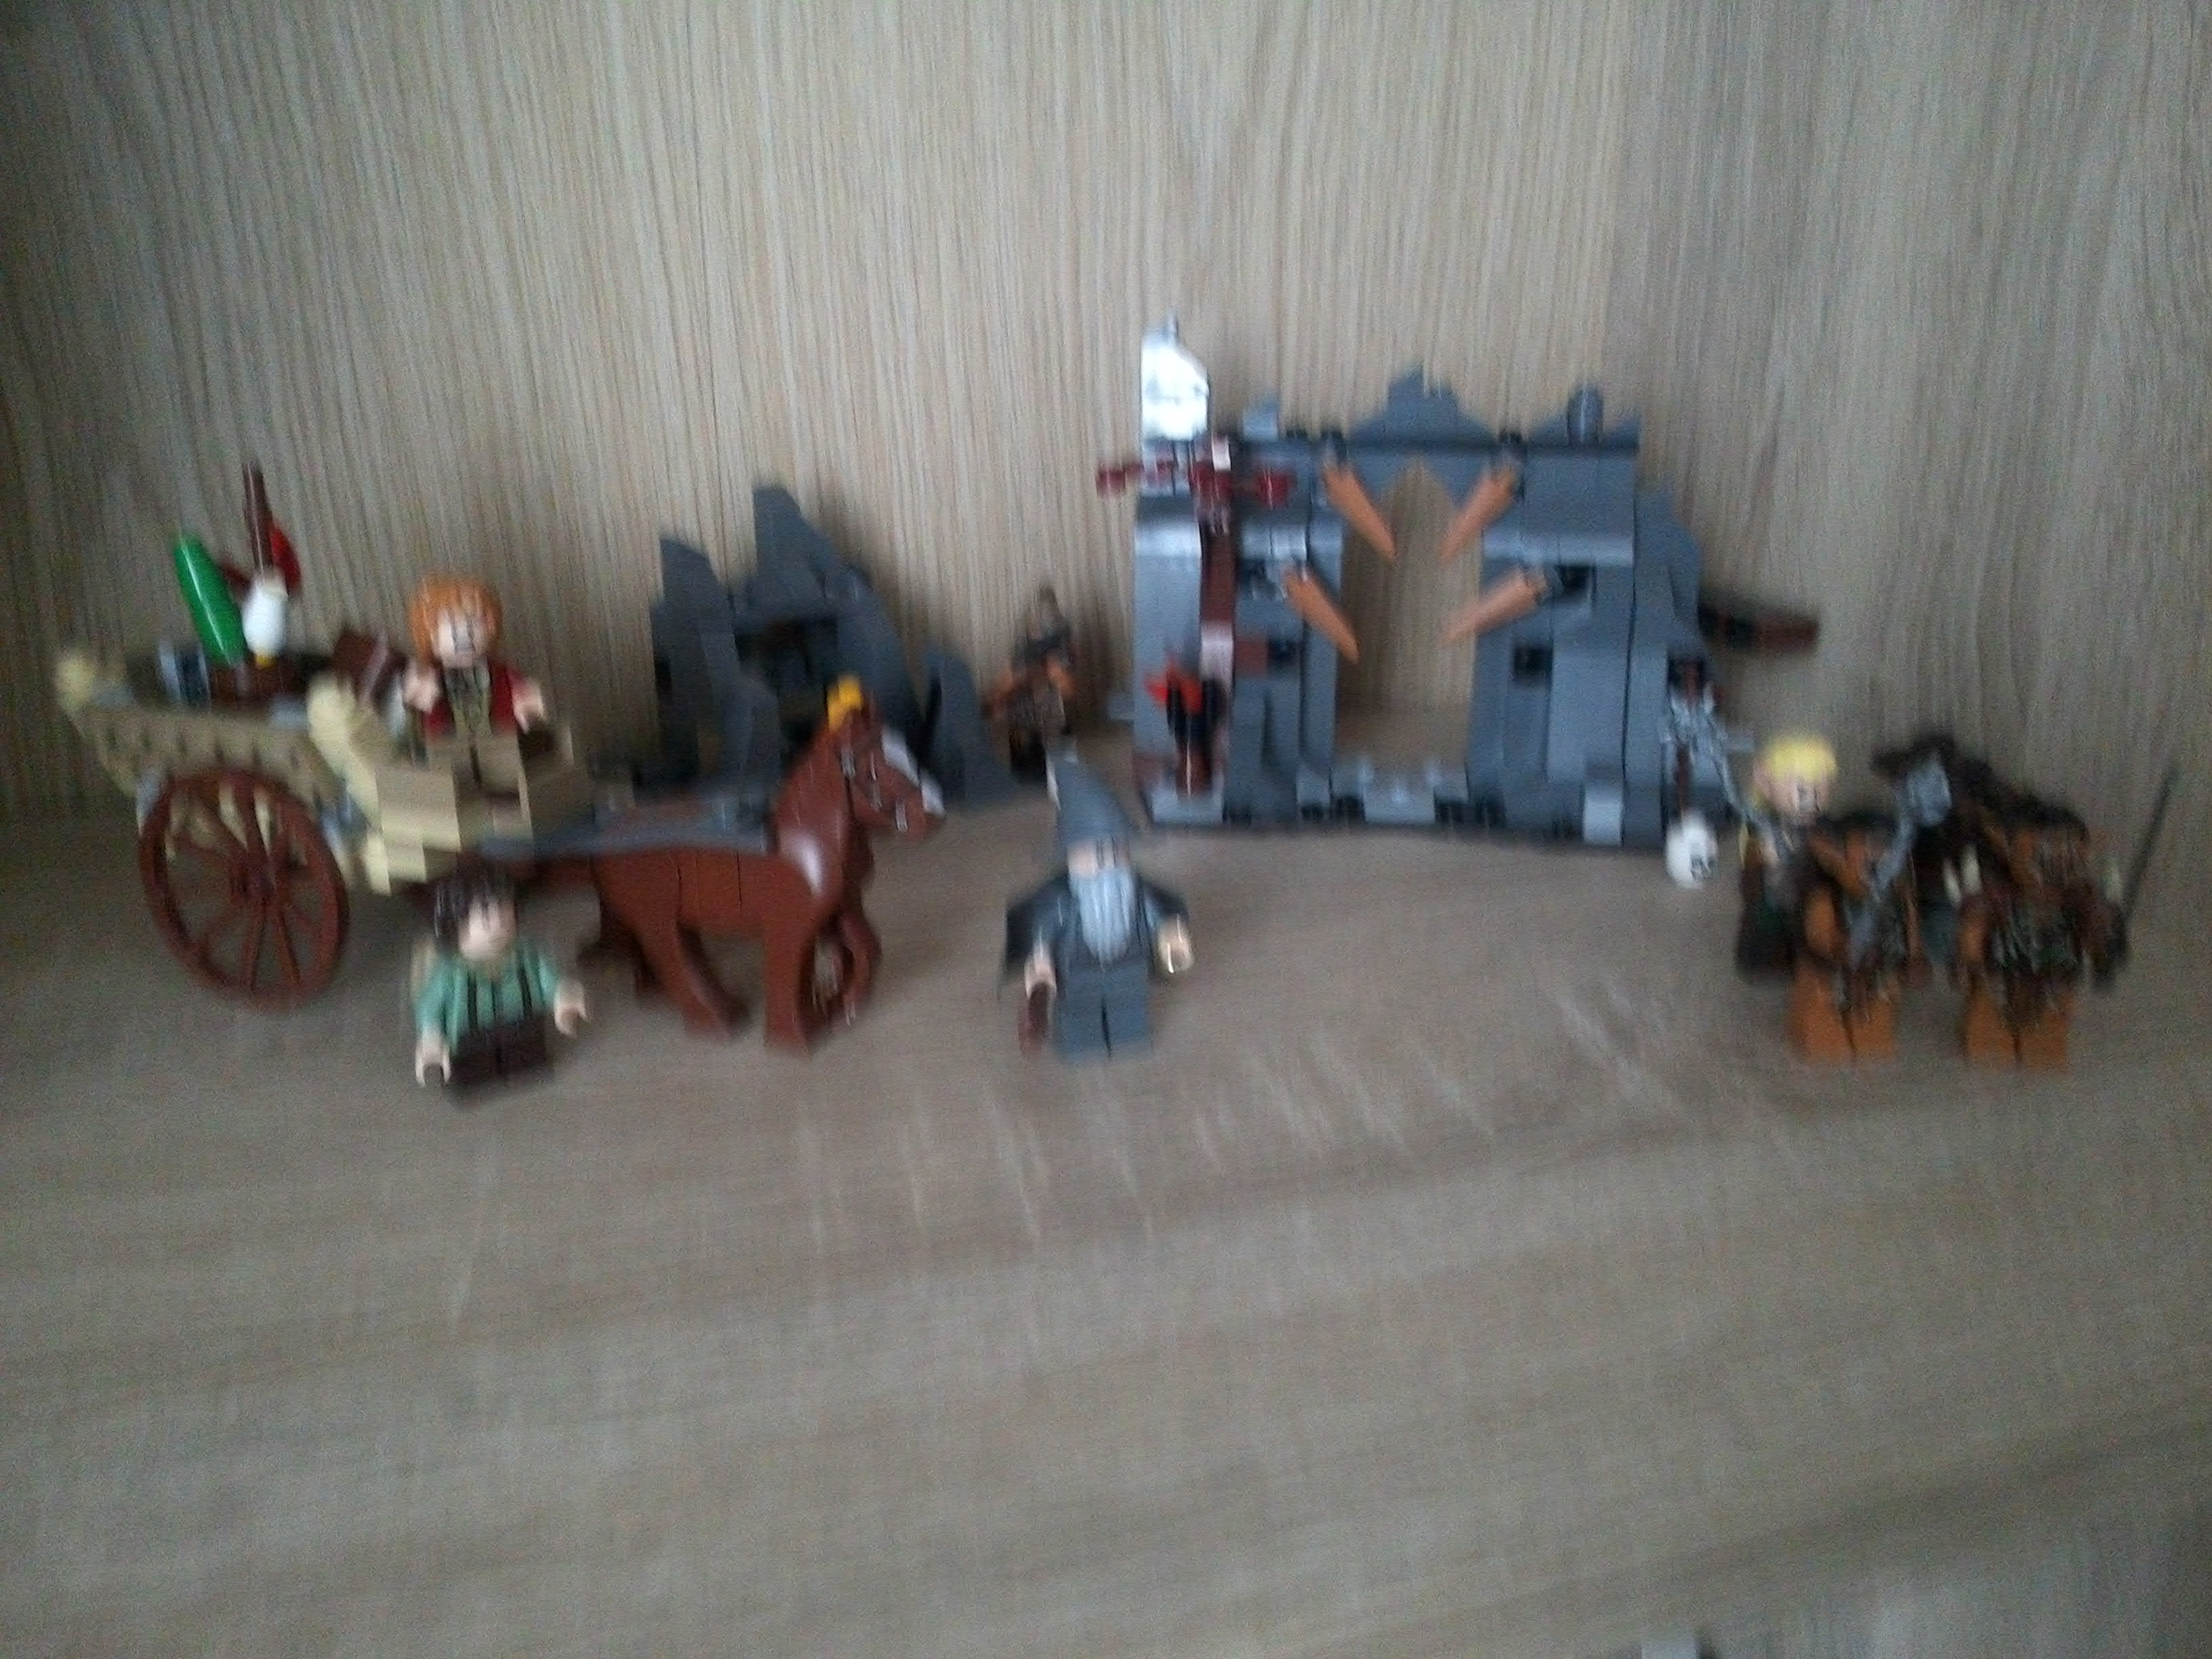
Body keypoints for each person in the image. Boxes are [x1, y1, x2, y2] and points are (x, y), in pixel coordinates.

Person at [1002, 756, 1192, 1059]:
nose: (1108, 867)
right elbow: (1040, 956)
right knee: (1080, 1024)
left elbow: (1166, 924)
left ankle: (1128, 1037)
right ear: (1069, 856)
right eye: (1096, 855)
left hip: (1130, 972)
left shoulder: (1141, 894)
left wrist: (1173, 942)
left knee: (1130, 1018)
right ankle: (1082, 1043)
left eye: (1116, 851)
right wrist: (1037, 1001)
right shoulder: (1056, 905)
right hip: (1077, 979)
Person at [414, 867, 587, 1090]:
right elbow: (430, 1005)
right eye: (485, 916)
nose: (499, 926)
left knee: (527, 1057)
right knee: (474, 1069)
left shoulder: (527, 954)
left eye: (506, 913)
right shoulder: (449, 971)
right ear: (453, 921)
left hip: (523, 1024)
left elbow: (550, 980)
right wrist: (431, 1036)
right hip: (469, 1036)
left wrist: (565, 996)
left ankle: (524, 1067)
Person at [401, 575, 548, 790]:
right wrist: (415, 691)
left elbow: (524, 692)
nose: (464, 636)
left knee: (505, 781)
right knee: (451, 782)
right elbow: (408, 711)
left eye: (472, 624)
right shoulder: (427, 675)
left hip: (497, 743)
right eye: (451, 626)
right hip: (448, 750)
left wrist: (527, 700)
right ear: (428, 633)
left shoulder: (501, 673)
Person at [1735, 732, 1837, 973]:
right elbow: (1754, 878)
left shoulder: (1826, 826)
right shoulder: (1764, 830)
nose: (1811, 792)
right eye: (1800, 783)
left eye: (1820, 783)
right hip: (1779, 908)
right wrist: (1773, 864)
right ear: (1766, 784)